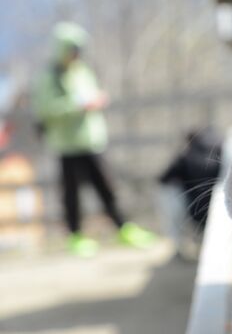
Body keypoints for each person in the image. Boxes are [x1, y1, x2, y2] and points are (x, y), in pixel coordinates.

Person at [32, 22, 155, 257]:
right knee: (71, 192)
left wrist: (96, 101)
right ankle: (75, 235)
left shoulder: (82, 70)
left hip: (91, 140)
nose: (76, 55)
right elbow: (46, 109)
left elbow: (91, 94)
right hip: (67, 144)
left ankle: (123, 227)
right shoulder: (50, 76)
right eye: (72, 49)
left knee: (106, 186)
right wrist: (79, 106)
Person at [158, 128, 222, 258]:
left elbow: (164, 178)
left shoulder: (186, 156)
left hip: (193, 207)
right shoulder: (219, 153)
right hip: (216, 206)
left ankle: (181, 247)